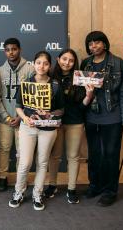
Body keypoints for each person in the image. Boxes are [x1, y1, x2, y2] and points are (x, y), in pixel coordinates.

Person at [9, 51, 64, 211]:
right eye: (38, 62)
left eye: (45, 63)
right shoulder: (26, 83)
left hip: (48, 129)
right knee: (25, 162)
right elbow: (18, 106)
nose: (42, 66)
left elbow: (61, 109)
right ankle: (18, 192)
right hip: (28, 127)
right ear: (33, 63)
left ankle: (37, 194)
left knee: (42, 162)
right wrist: (24, 119)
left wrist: (50, 114)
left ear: (50, 66)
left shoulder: (55, 85)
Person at [81, 31, 123, 207]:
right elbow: (81, 93)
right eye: (90, 43)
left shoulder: (118, 63)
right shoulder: (85, 64)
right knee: (94, 155)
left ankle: (110, 191)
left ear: (105, 44)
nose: (94, 46)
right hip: (92, 117)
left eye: (97, 42)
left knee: (110, 155)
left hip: (113, 118)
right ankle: (95, 186)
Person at [44, 49, 93, 204]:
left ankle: (71, 188)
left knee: (73, 157)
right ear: (58, 59)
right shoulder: (50, 76)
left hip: (75, 122)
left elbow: (82, 106)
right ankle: (52, 185)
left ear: (74, 63)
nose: (67, 63)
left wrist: (89, 96)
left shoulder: (79, 78)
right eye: (64, 59)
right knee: (54, 156)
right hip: (55, 122)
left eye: (71, 60)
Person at [0, 38, 34, 191]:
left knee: (22, 151)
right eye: (8, 49)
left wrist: (22, 116)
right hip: (6, 120)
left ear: (20, 50)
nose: (11, 52)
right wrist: (6, 116)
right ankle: (3, 177)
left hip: (23, 119)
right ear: (5, 51)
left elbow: (32, 97)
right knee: (4, 148)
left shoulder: (30, 69)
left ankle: (20, 178)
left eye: (14, 49)